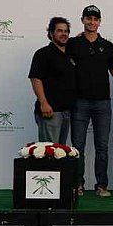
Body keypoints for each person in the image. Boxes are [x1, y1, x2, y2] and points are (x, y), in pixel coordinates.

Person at [68, 5, 113, 197]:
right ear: (82, 20)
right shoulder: (73, 43)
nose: (92, 22)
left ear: (100, 22)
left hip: (102, 103)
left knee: (102, 147)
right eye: (88, 18)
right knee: (77, 146)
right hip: (79, 102)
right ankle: (77, 184)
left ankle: (101, 185)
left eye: (95, 19)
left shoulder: (107, 45)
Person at [28, 16, 76, 144]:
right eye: (59, 31)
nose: (63, 34)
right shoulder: (43, 54)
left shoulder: (70, 55)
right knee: (49, 150)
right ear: (51, 33)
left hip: (66, 111)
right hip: (50, 111)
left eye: (66, 31)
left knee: (60, 151)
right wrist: (43, 103)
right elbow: (35, 78)